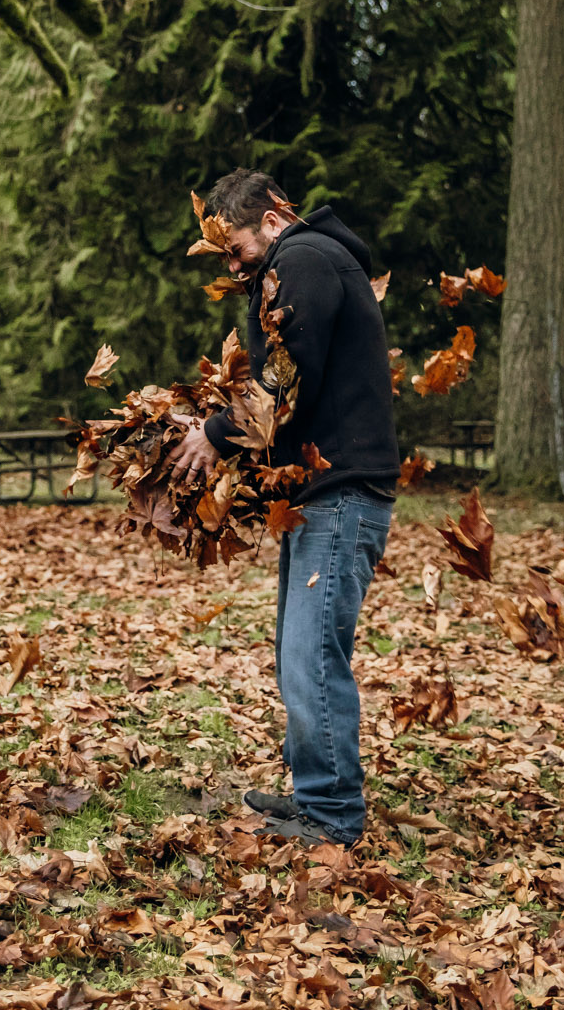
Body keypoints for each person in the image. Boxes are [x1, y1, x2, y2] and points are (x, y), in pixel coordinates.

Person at [170, 169, 399, 846]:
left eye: (236, 248)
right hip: (317, 492)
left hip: (341, 491)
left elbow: (285, 376)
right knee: (297, 648)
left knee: (310, 653)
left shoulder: (302, 258)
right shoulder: (308, 261)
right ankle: (312, 791)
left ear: (272, 219)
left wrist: (213, 436)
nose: (236, 265)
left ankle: (332, 814)